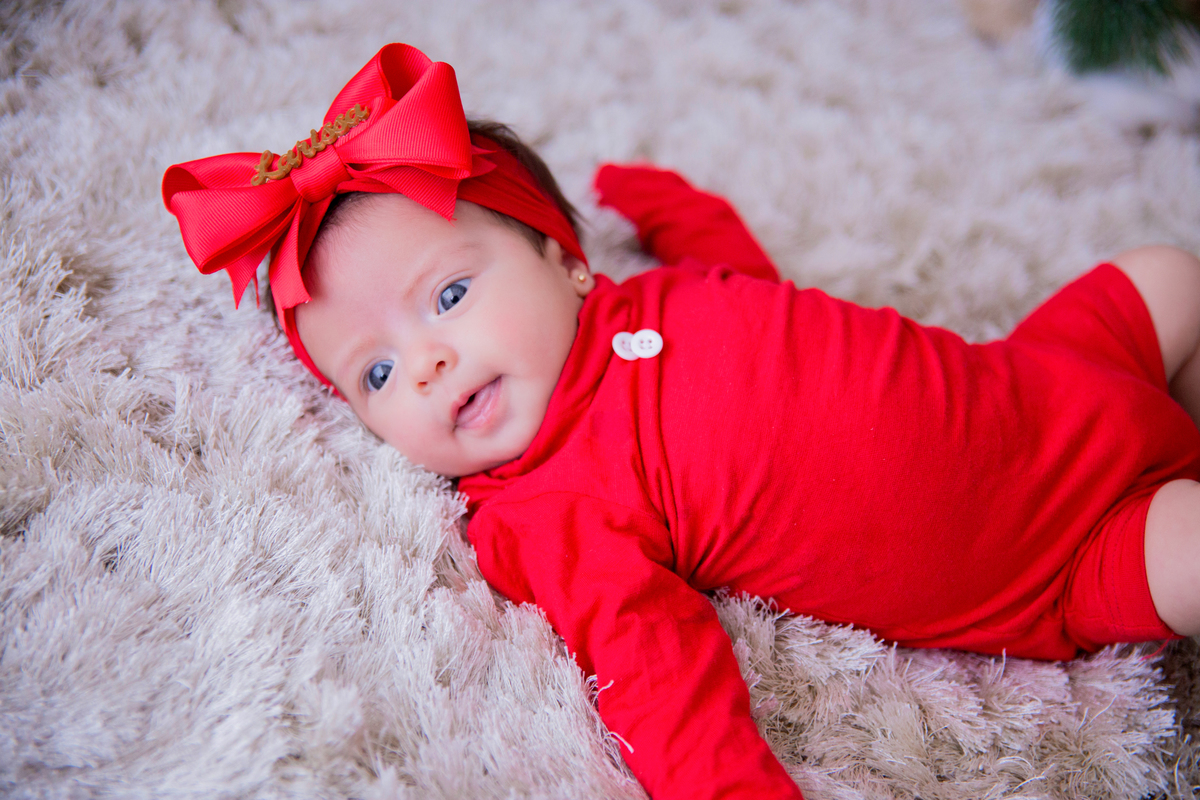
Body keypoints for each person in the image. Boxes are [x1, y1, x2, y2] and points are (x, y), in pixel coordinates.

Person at [162, 43, 1200, 800]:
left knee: (1168, 276)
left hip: (1035, 377)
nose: (427, 362)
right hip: (1053, 552)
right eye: (376, 370)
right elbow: (656, 666)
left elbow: (758, 297)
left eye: (446, 297)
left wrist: (676, 213)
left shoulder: (651, 297)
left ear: (569, 260)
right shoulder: (546, 507)